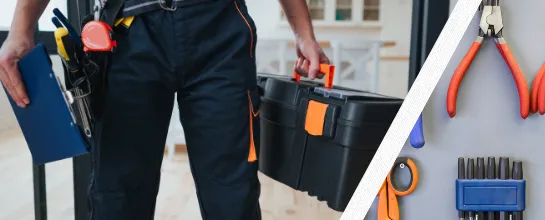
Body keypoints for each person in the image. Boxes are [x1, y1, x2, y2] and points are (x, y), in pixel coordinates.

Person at [0, 0, 330, 219]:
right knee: (118, 194)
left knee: (232, 194)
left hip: (219, 27)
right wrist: (21, 29)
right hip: (127, 29)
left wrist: (304, 34)